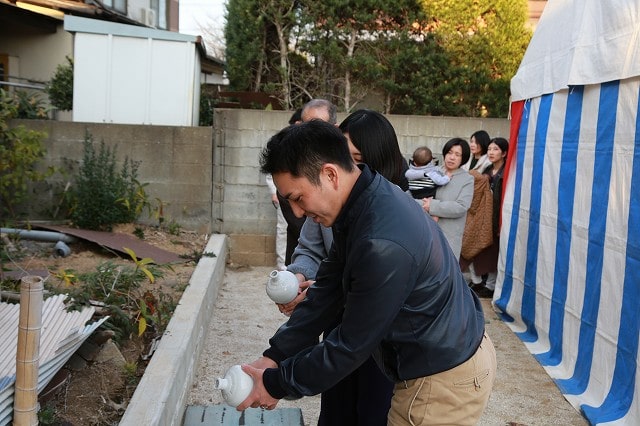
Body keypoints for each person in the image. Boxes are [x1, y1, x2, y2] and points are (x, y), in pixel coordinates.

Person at [240, 120, 496, 425]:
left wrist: (275, 384)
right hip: (440, 358)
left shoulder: (380, 239)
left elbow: (351, 344)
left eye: (297, 198)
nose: (297, 213)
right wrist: (275, 355)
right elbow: (327, 290)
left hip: (441, 378)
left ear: (330, 174)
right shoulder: (362, 203)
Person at [281, 109, 404, 425]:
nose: (345, 167)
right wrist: (300, 277)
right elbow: (314, 255)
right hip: (339, 323)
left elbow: (356, 335)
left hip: (380, 336)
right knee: (336, 410)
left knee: (373, 412)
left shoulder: (387, 222)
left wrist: (274, 382)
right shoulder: (331, 210)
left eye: (356, 159)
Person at [277, 101, 337, 265]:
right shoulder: (289, 170)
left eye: (319, 127)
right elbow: (307, 245)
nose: (312, 134)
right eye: (307, 126)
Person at [468, 137, 509, 299]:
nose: (491, 152)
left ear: (504, 153)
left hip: (499, 218)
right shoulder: (486, 171)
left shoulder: (506, 174)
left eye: (496, 149)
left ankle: (490, 286)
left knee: (495, 253)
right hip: (485, 217)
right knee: (481, 251)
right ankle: (480, 282)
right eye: (490, 149)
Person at [421, 138, 474, 259]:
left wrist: (432, 206)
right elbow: (413, 196)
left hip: (448, 237)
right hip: (424, 231)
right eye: (450, 152)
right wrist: (425, 205)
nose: (452, 157)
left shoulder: (467, 179)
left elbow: (461, 206)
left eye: (457, 154)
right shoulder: (431, 172)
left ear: (463, 158)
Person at [266, 109, 303, 269]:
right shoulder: (284, 141)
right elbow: (272, 171)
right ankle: (283, 265)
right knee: (283, 229)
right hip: (284, 194)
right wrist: (275, 193)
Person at [405, 146, 450, 211]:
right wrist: (447, 177)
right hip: (428, 195)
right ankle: (435, 216)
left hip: (414, 194)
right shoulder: (430, 172)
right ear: (430, 161)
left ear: (414, 162)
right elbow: (440, 181)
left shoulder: (410, 172)